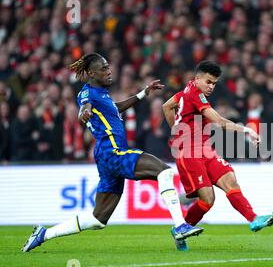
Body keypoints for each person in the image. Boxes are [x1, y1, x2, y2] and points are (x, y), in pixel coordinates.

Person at [22, 53, 203, 252]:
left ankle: (43, 234)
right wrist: (84, 112)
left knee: (97, 219)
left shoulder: (103, 95)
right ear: (91, 73)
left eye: (108, 67)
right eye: (103, 69)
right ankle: (180, 226)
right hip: (112, 151)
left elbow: (115, 109)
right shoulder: (88, 93)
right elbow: (85, 105)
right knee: (164, 171)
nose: (109, 71)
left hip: (107, 157)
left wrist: (143, 93)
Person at [162, 60, 273, 251]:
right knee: (207, 199)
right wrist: (247, 130)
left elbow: (167, 106)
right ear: (198, 79)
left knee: (230, 180)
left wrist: (175, 128)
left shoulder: (187, 90)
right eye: (208, 82)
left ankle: (254, 219)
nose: (211, 87)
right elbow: (218, 121)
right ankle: (180, 230)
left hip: (205, 149)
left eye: (214, 83)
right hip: (189, 151)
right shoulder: (195, 94)